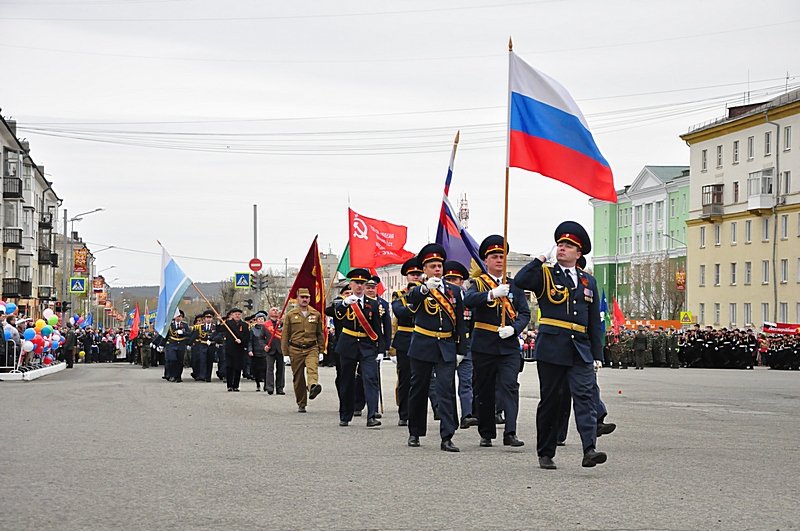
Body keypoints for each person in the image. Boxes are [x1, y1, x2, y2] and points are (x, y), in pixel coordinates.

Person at [515, 221, 607, 469]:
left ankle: (590, 449)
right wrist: (540, 259)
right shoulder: (546, 274)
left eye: (568, 246)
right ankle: (546, 452)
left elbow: (593, 322)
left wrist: (597, 353)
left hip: (580, 349)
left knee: (585, 398)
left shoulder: (588, 282)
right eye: (560, 245)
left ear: (579, 253)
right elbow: (520, 281)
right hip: (552, 347)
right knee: (551, 401)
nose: (562, 248)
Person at [464, 235, 531, 449]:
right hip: (484, 344)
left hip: (508, 345)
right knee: (484, 389)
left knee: (510, 386)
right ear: (486, 260)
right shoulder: (478, 283)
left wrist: (515, 328)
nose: (499, 260)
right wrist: (491, 294)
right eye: (494, 256)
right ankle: (486, 432)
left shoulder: (515, 286)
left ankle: (510, 432)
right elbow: (469, 300)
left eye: (502, 256)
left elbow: (524, 312)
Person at [405, 244, 467, 452]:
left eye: (439, 265)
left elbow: (460, 322)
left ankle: (447, 435)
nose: (437, 269)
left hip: (446, 345)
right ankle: (415, 432)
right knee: (419, 388)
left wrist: (461, 349)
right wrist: (425, 289)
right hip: (423, 344)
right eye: (432, 266)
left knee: (446, 390)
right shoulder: (418, 289)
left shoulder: (454, 291)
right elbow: (410, 302)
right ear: (425, 270)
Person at [333, 268, 384, 428]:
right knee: (346, 380)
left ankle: (371, 415)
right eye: (357, 283)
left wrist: (381, 349)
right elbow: (337, 316)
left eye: (363, 283)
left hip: (367, 346)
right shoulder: (344, 302)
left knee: (370, 379)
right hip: (348, 344)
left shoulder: (373, 304)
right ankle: (345, 414)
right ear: (351, 284)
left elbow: (377, 328)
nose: (360, 286)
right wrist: (343, 304)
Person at [443, 260, 479, 430]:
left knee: (466, 382)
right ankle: (450, 418)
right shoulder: (440, 300)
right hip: (447, 345)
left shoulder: (468, 301)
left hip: (466, 346)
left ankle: (467, 415)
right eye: (448, 278)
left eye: (455, 279)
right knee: (447, 384)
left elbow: (473, 324)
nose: (452, 282)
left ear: (462, 281)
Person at [390, 257, 423, 427]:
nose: (416, 277)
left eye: (418, 274)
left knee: (423, 379)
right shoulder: (399, 295)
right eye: (413, 274)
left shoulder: (429, 293)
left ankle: (422, 412)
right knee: (405, 379)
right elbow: (400, 312)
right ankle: (404, 413)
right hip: (405, 340)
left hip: (424, 339)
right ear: (407, 276)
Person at [281, 287, 326, 413]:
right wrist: (285, 353)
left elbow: (320, 334)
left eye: (307, 297)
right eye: (302, 297)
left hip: (312, 347)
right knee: (298, 377)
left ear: (310, 299)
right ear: (297, 298)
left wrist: (321, 350)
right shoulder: (290, 315)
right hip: (295, 349)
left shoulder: (316, 314)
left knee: (312, 369)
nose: (305, 299)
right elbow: (285, 335)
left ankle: (313, 387)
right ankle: (301, 402)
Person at [355, 275, 392, 418]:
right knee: (359, 377)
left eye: (373, 287)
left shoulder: (382, 304)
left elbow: (386, 327)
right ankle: (358, 404)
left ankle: (374, 408)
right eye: (368, 287)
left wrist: (385, 347)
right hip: (358, 343)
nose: (370, 290)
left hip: (374, 344)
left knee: (373, 377)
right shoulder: (358, 302)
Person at [222, 308, 250, 392]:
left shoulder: (244, 325)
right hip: (230, 348)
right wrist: (220, 321)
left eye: (239, 314)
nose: (237, 315)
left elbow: (247, 336)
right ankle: (229, 385)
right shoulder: (227, 323)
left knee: (238, 368)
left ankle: (236, 385)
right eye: (235, 314)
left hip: (239, 349)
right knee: (229, 367)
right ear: (232, 315)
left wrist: (241, 341)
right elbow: (219, 329)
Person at [164, 310, 192, 382]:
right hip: (171, 344)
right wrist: (160, 344)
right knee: (172, 360)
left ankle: (178, 377)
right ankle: (172, 375)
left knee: (180, 362)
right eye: (177, 316)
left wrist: (183, 332)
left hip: (181, 345)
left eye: (180, 316)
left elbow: (190, 334)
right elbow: (165, 335)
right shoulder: (170, 325)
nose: (178, 318)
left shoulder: (185, 325)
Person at [248, 311, 272, 392]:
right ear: (256, 320)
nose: (261, 320)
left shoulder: (268, 329)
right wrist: (250, 350)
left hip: (265, 352)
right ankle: (258, 384)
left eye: (262, 319)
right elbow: (250, 341)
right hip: (255, 352)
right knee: (256, 370)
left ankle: (266, 385)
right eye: (259, 319)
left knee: (266, 369)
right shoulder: (253, 330)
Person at [264, 307, 286, 394]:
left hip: (281, 349)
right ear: (269, 313)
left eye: (277, 310)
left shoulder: (283, 324)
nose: (276, 311)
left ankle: (280, 388)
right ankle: (270, 387)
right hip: (270, 349)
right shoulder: (266, 325)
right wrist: (264, 346)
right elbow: (261, 338)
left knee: (281, 369)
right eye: (273, 310)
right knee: (270, 369)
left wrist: (281, 324)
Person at [191, 310, 216, 382]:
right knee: (202, 361)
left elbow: (218, 335)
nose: (208, 319)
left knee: (209, 361)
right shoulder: (199, 327)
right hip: (202, 345)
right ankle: (202, 376)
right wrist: (189, 343)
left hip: (211, 346)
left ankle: (208, 377)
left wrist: (213, 340)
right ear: (204, 319)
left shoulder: (215, 327)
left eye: (210, 317)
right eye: (207, 317)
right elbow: (194, 336)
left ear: (212, 318)